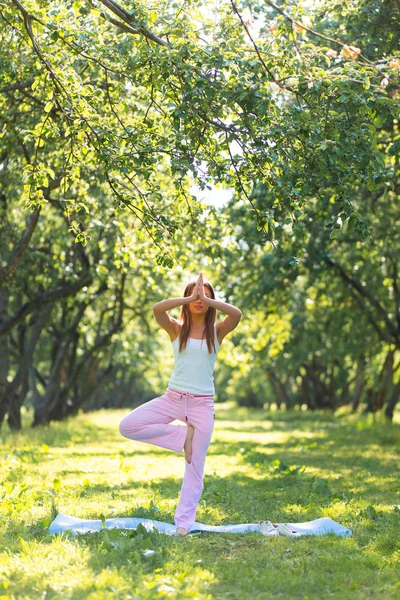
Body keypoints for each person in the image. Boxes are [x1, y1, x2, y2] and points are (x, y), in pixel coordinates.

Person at [119, 271, 242, 536]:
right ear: (187, 299)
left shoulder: (217, 331)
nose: (199, 299)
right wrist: (188, 297)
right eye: (195, 295)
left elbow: (236, 314)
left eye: (205, 295)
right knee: (128, 426)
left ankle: (184, 523)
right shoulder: (176, 328)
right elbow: (157, 309)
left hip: (202, 405)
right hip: (172, 398)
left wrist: (208, 300)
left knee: (195, 467)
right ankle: (182, 436)